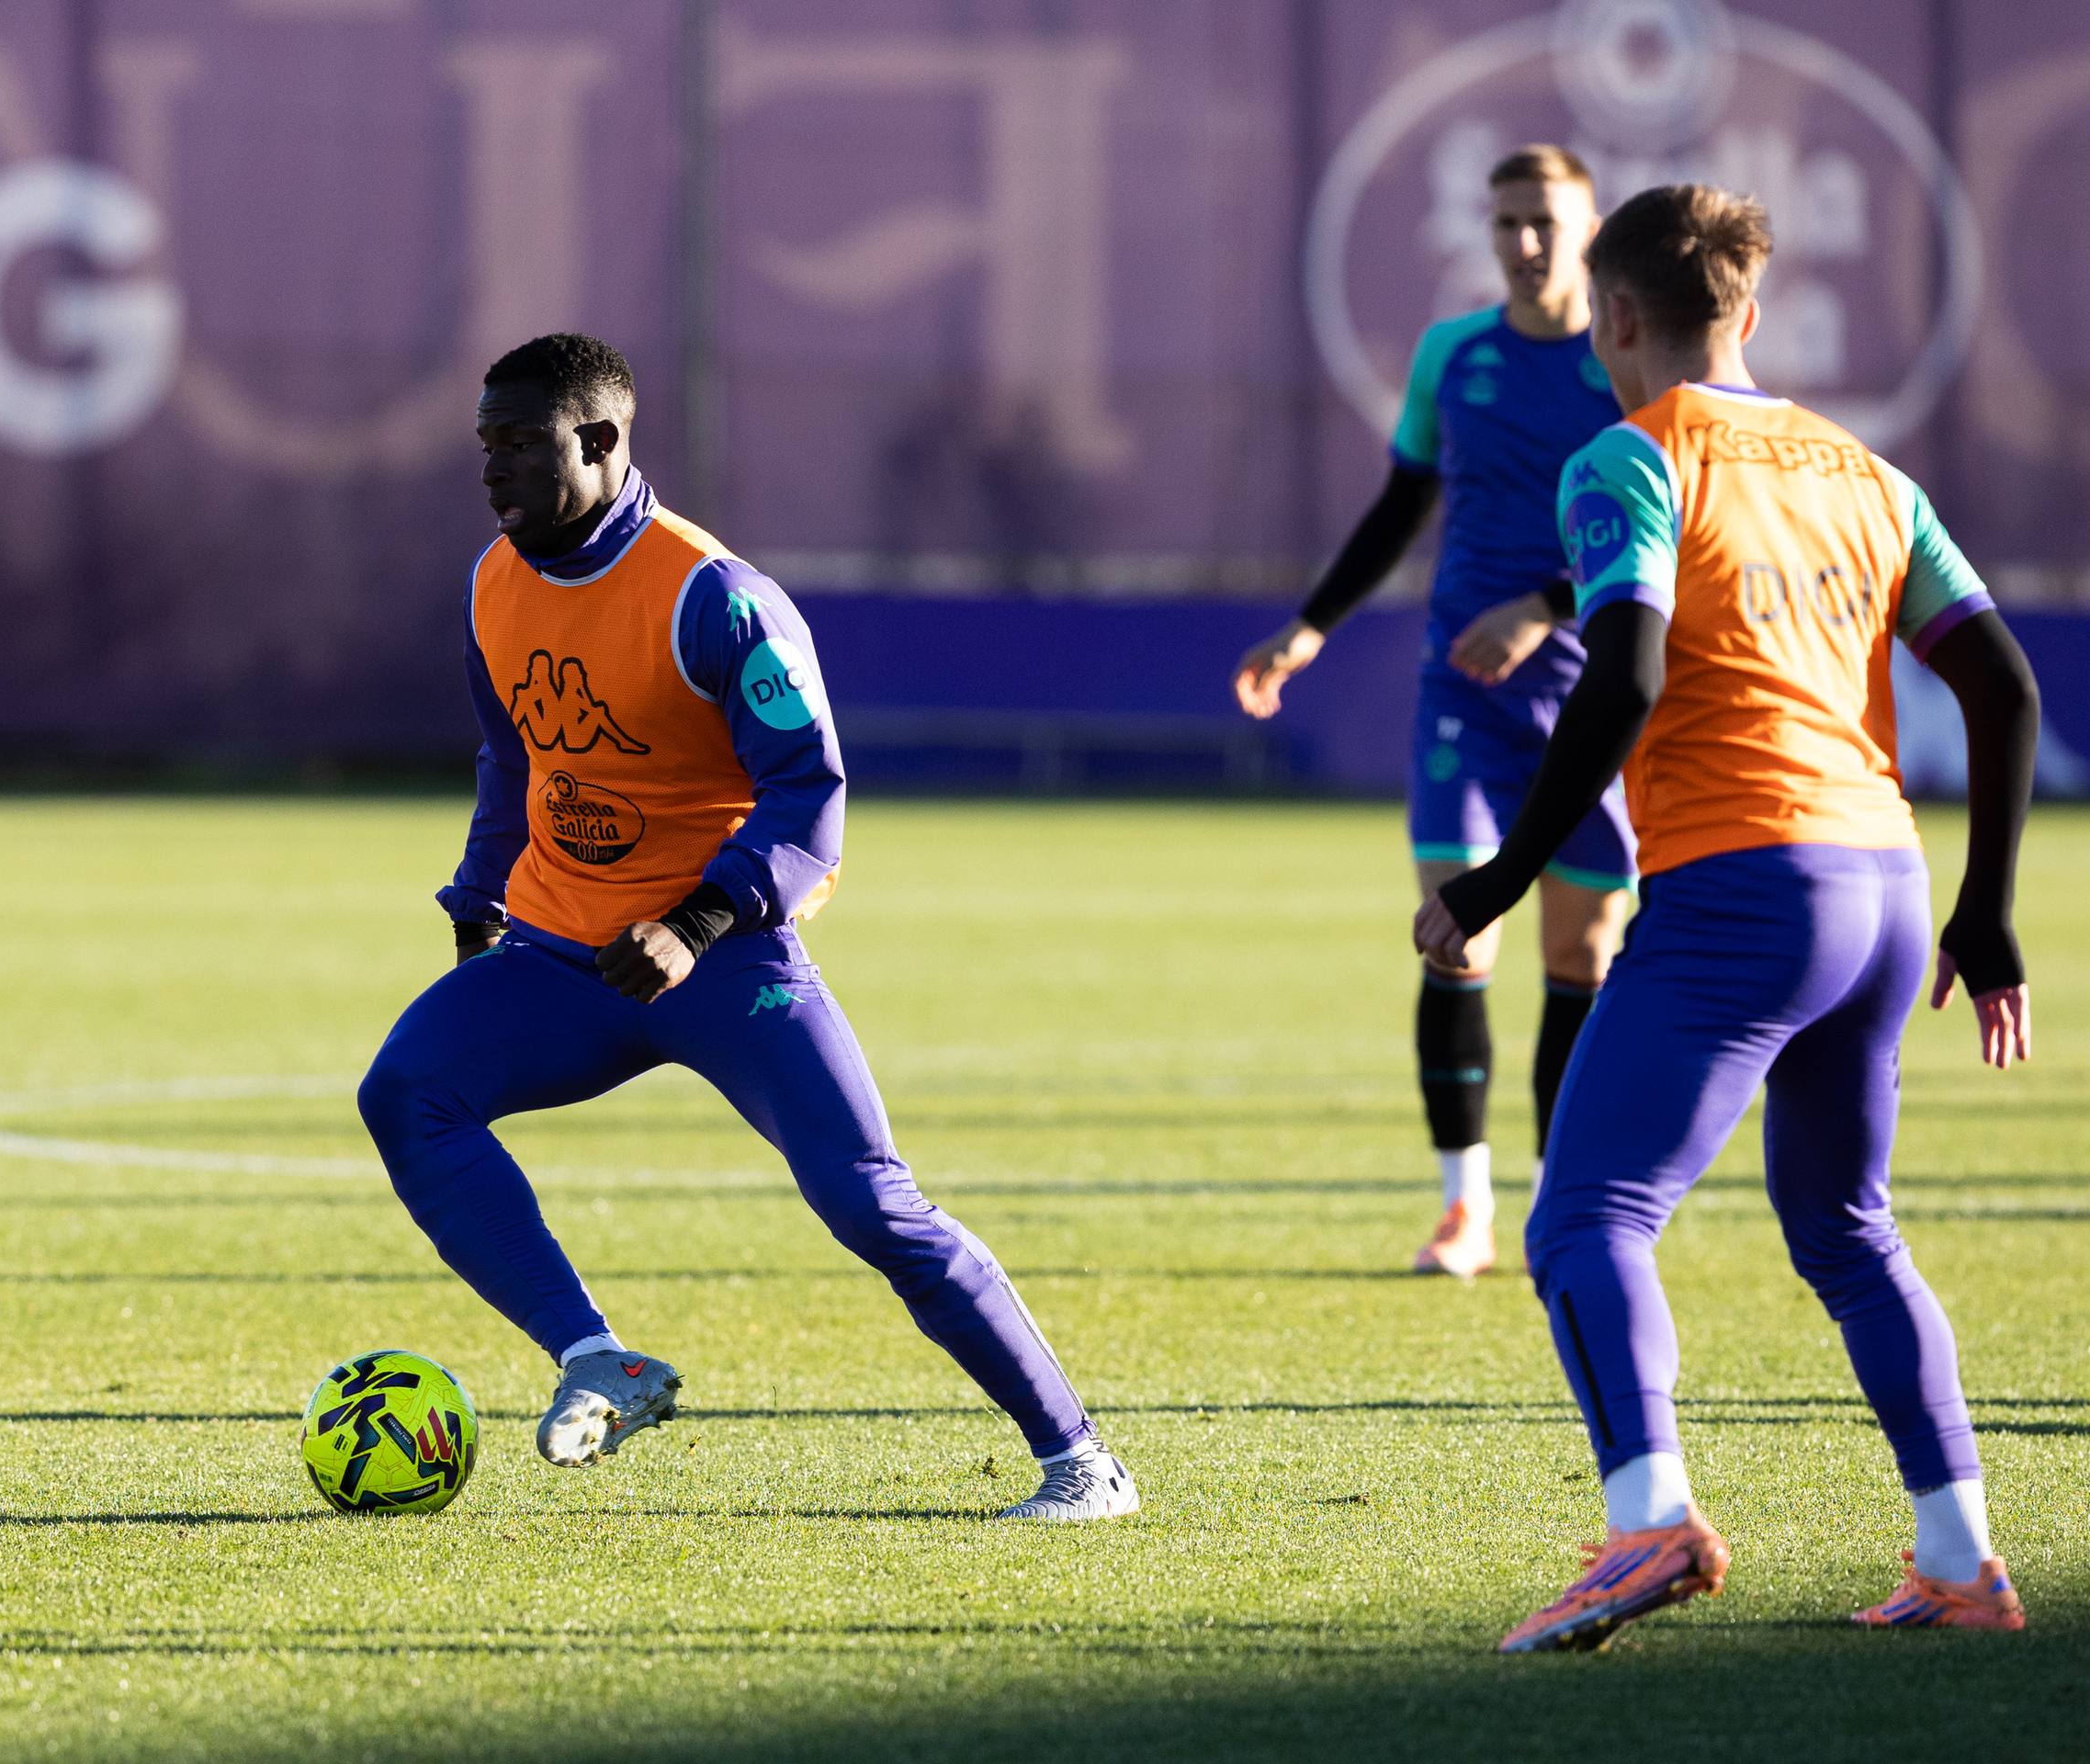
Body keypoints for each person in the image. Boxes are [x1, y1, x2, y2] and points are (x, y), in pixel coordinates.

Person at [356, 333, 1136, 1521]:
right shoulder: (493, 583)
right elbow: (512, 754)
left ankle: (1079, 1460)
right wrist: (480, 897)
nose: (493, 468)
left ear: (602, 440)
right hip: (565, 954)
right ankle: (595, 1358)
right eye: (484, 445)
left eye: (520, 443)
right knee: (405, 1091)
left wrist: (694, 922)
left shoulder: (714, 598)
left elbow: (809, 801)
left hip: (723, 960)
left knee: (867, 1201)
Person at [1413, 186, 2040, 1650]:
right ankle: (1960, 1564)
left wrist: (1497, 882)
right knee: (1848, 1232)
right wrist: (1986, 913)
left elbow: (1620, 673)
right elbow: (1999, 683)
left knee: (1585, 1216)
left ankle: (1647, 1529)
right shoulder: (1868, 474)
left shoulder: (1628, 460)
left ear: (1612, 318)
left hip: (1742, 884)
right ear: (1747, 316)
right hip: (1882, 893)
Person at [1235, 145, 1632, 1280]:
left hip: (1591, 689)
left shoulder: (1623, 362)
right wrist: (1308, 625)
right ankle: (1464, 1207)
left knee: (1583, 956)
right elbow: (1402, 498)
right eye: (1505, 221)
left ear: (1588, 227)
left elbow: (1667, 525)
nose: (1522, 244)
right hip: (1459, 692)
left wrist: (1548, 605)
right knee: (1456, 939)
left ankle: (1561, 1204)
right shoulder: (1450, 354)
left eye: (1544, 222)